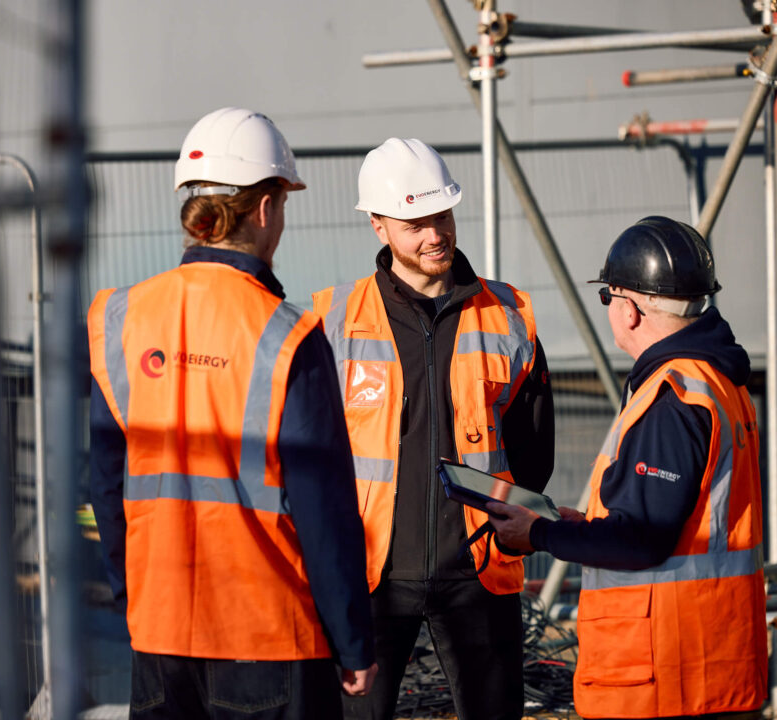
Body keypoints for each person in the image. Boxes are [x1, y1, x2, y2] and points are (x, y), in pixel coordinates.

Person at [87, 107, 377, 720]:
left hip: (159, 631)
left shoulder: (120, 320)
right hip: (267, 635)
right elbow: (325, 511)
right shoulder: (286, 332)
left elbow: (108, 489)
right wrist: (352, 641)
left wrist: (133, 601)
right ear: (267, 208)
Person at [311, 137, 555, 720]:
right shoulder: (331, 321)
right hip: (370, 577)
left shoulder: (508, 315)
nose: (435, 234)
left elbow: (533, 448)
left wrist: (500, 526)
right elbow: (309, 454)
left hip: (478, 572)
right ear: (378, 225)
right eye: (415, 222)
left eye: (442, 215)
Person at [490, 216, 766, 720]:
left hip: (663, 675)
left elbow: (641, 539)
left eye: (609, 298)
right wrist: (583, 527)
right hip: (708, 664)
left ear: (632, 309)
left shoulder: (673, 397)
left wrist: (540, 536)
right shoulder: (719, 385)